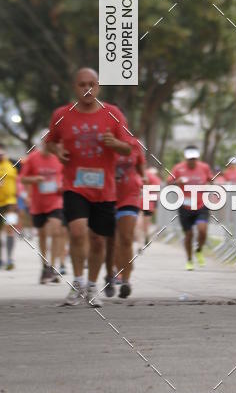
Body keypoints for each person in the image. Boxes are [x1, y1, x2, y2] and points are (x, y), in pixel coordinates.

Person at [45, 67, 133, 306]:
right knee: (77, 231)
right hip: (74, 184)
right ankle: (78, 282)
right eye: (82, 84)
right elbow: (49, 143)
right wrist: (57, 150)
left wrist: (114, 143)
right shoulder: (61, 114)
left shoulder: (113, 114)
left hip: (104, 189)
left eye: (92, 84)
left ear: (98, 87)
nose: (87, 89)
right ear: (75, 87)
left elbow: (128, 148)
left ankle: (92, 287)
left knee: (97, 240)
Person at [104, 135, 145, 298]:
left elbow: (141, 168)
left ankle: (126, 280)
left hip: (130, 194)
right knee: (111, 241)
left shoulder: (134, 144)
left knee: (126, 238)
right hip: (107, 195)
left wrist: (144, 179)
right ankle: (110, 274)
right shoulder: (101, 143)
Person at [20, 140, 64, 284]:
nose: (56, 147)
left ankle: (53, 266)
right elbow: (23, 179)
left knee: (56, 231)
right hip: (38, 203)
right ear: (46, 143)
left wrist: (62, 186)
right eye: (53, 144)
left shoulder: (59, 158)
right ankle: (45, 266)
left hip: (55, 201)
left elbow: (65, 177)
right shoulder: (33, 158)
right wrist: (35, 179)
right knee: (43, 235)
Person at [169, 145, 212, 270]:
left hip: (201, 205)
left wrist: (209, 186)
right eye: (189, 159)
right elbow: (168, 182)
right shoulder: (178, 168)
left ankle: (199, 250)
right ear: (185, 158)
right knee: (189, 234)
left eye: (194, 158)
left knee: (202, 230)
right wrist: (177, 182)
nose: (192, 161)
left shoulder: (204, 167)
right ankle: (189, 259)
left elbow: (211, 180)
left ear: (197, 158)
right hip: (185, 206)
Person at [0, 143, 17, 270]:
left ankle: (10, 258)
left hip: (10, 203)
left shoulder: (11, 165)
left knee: (10, 229)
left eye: (2, 153)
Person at [137, 166, 161, 250]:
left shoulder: (156, 182)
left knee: (145, 225)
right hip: (139, 204)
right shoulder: (142, 177)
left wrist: (154, 208)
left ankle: (146, 236)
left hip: (148, 204)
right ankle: (139, 245)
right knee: (139, 224)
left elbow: (155, 199)